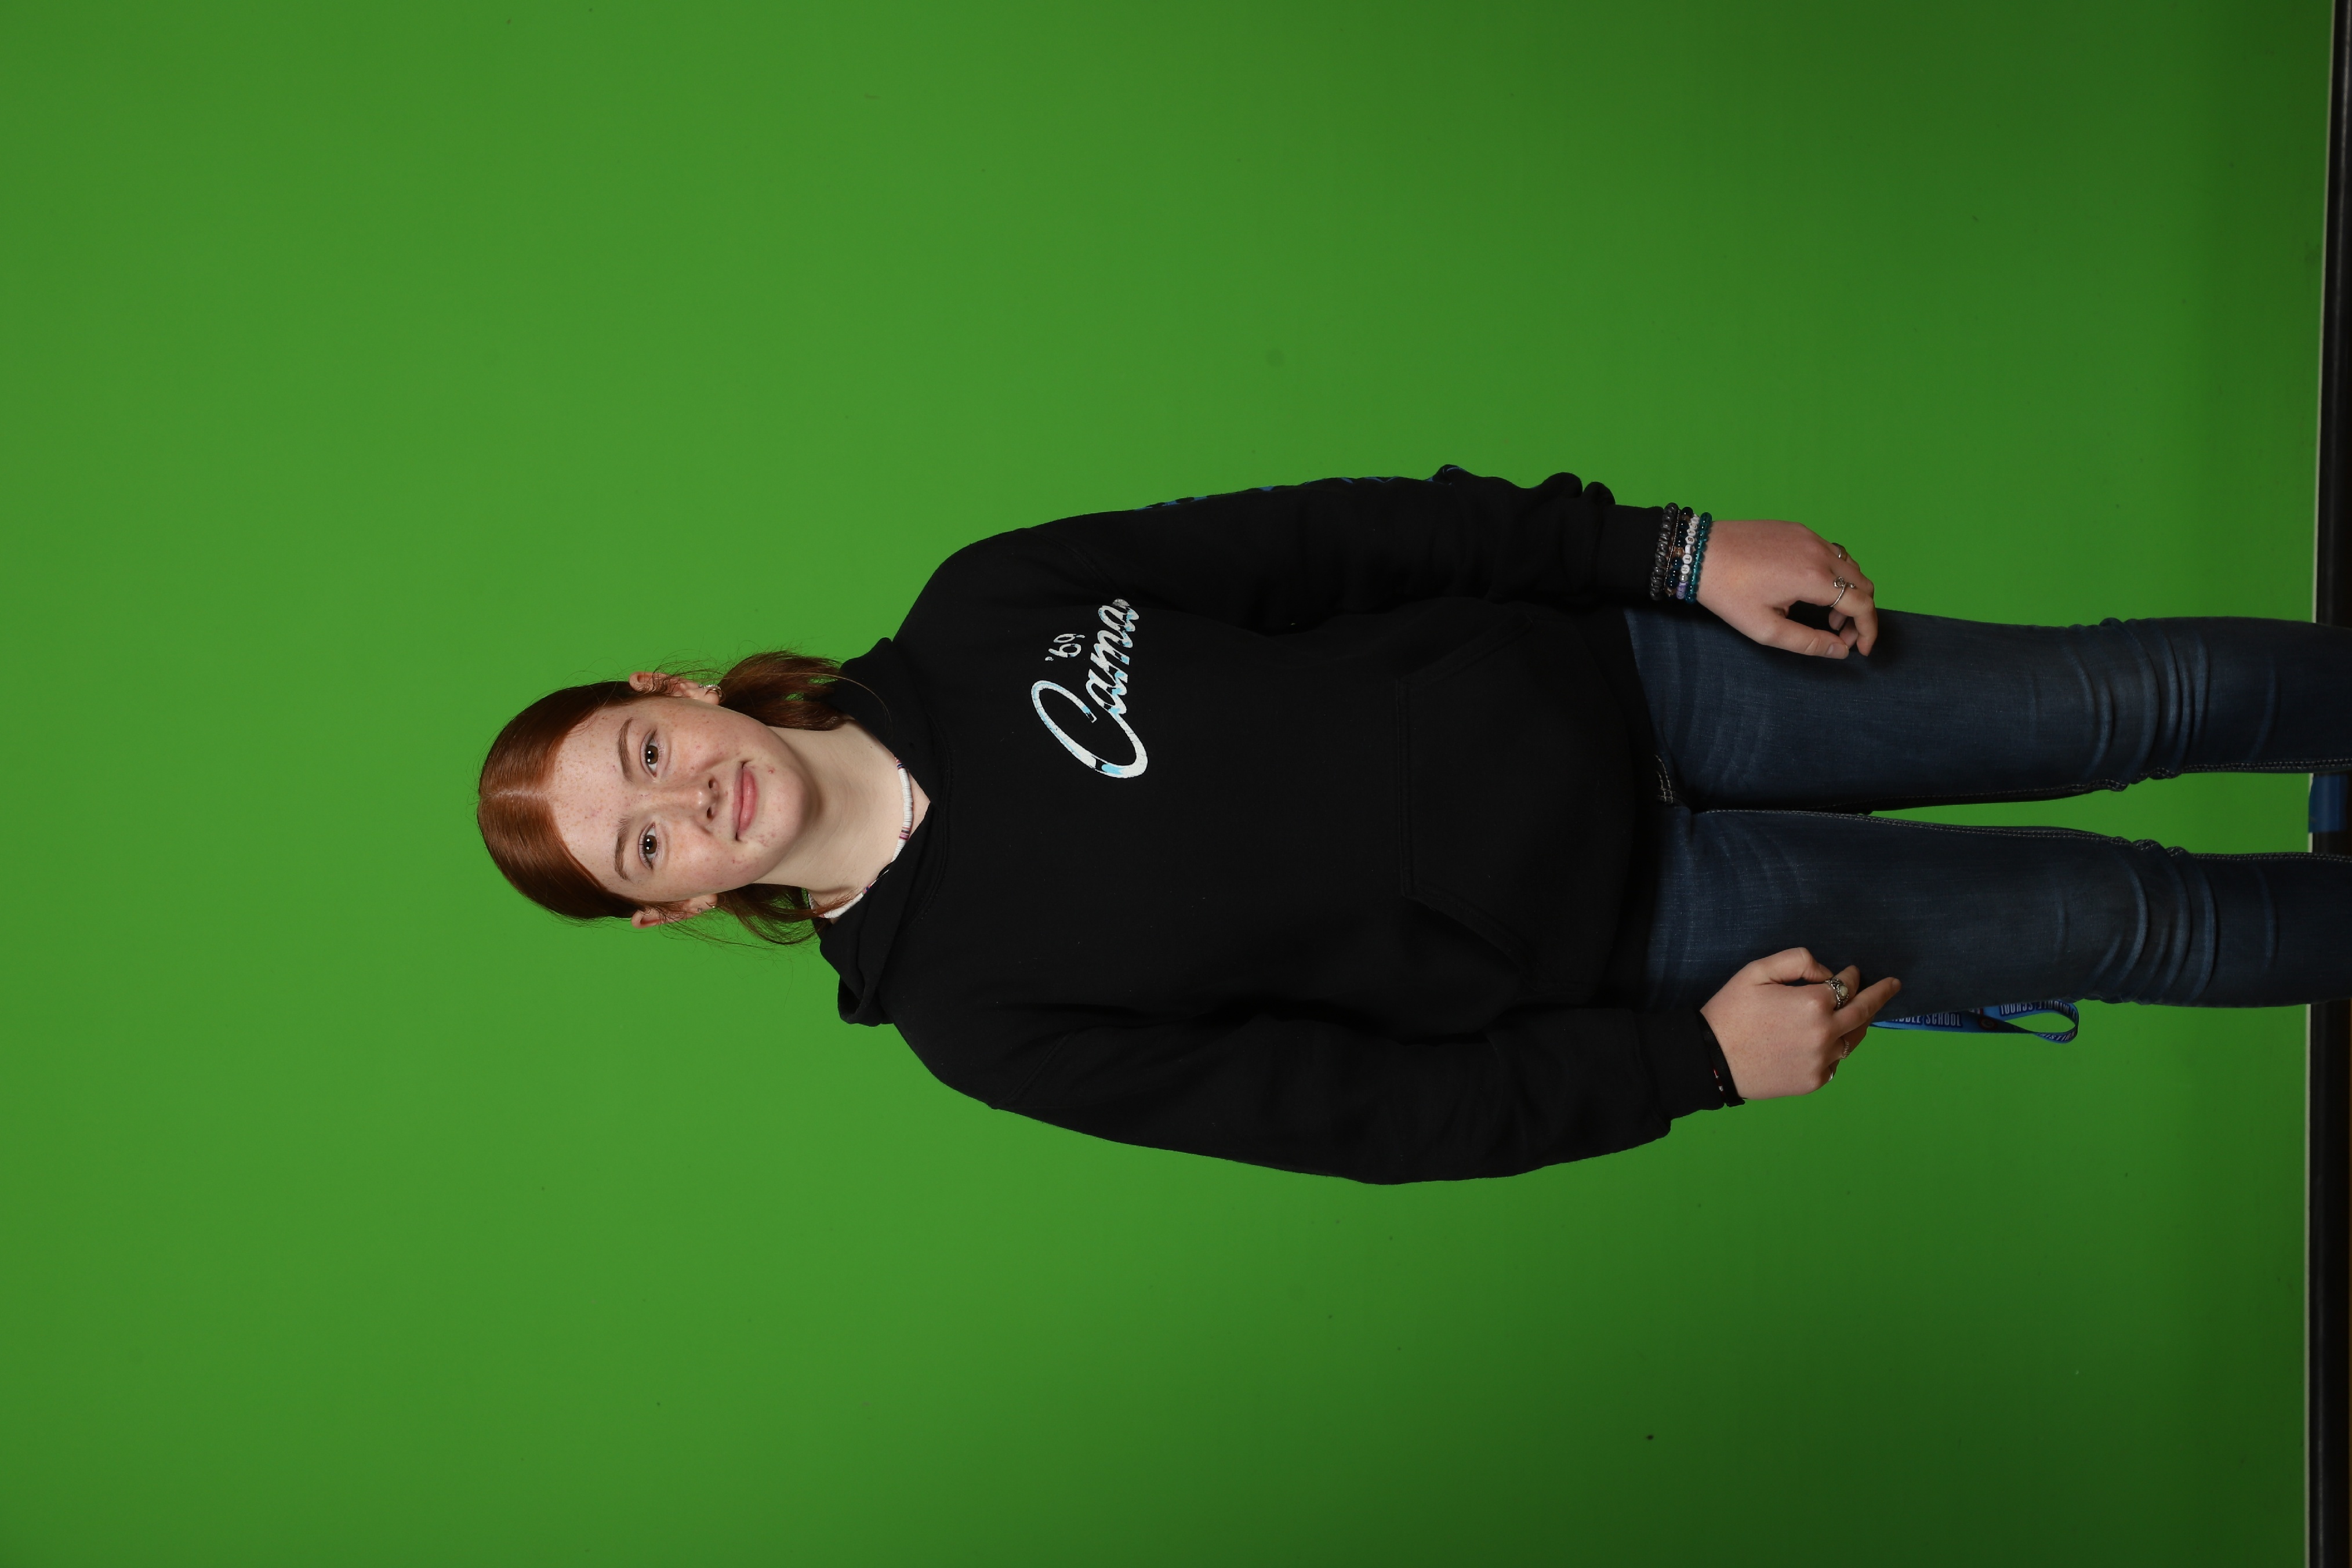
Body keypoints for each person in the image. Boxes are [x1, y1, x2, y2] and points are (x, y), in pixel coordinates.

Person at [476, 466, 2352, 1183]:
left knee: (2122, 701)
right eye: (643, 844)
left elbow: (1345, 537)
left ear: (676, 690)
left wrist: (1669, 555)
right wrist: (1691, 1069)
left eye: (642, 750)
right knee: (2136, 924)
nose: (683, 799)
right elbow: (1357, 1114)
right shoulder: (977, 1018)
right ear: (673, 907)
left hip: (1643, 676)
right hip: (1670, 933)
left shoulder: (986, 608)